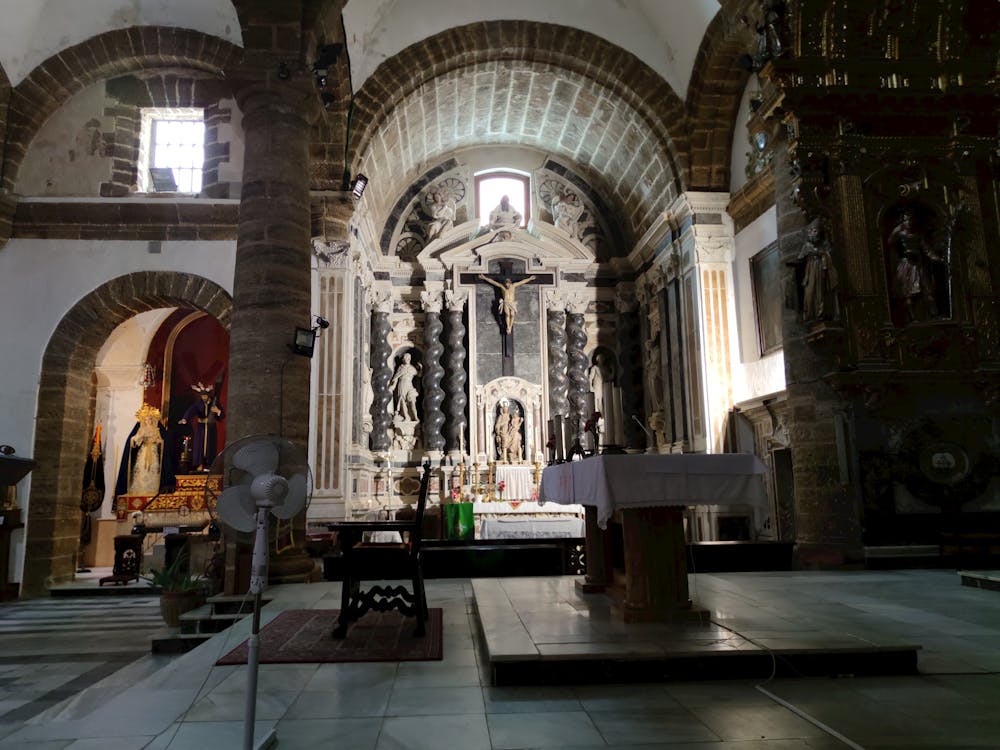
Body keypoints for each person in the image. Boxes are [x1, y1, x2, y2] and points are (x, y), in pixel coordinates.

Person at [889, 209, 943, 323]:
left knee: (927, 289)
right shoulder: (900, 231)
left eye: (911, 219)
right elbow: (890, 242)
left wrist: (936, 258)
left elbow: (926, 249)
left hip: (918, 264)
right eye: (907, 219)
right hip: (907, 264)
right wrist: (899, 254)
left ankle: (935, 315)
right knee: (908, 293)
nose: (909, 222)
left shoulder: (918, 233)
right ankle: (912, 318)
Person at [115, 403, 173, 496]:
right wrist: (139, 437)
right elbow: (134, 440)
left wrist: (158, 441)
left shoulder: (157, 429)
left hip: (153, 454)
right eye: (146, 419)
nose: (148, 421)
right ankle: (139, 491)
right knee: (141, 470)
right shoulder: (140, 429)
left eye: (150, 419)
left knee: (153, 471)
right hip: (143, 451)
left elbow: (162, 442)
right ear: (143, 420)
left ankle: (152, 492)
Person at [796, 218, 838, 322]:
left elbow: (830, 254)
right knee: (810, 292)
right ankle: (811, 313)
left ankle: (821, 313)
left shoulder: (824, 244)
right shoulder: (807, 245)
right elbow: (800, 258)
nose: (812, 234)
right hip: (810, 269)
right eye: (810, 231)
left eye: (814, 231)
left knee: (821, 291)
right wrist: (807, 252)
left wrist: (821, 253)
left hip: (820, 268)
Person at [178, 382, 224, 471]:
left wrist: (218, 411)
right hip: (201, 428)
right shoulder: (198, 404)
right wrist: (185, 419)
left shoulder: (214, 403)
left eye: (205, 396)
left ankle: (209, 464)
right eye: (202, 396)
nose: (204, 398)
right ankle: (200, 464)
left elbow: (221, 415)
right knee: (200, 445)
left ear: (208, 396)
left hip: (211, 428)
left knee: (210, 445)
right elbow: (191, 411)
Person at [388, 352, 420, 421]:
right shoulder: (400, 368)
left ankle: (415, 417)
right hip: (402, 385)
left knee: (412, 401)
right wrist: (393, 386)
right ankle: (406, 417)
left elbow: (419, 375)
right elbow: (396, 378)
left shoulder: (412, 368)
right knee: (402, 400)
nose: (407, 359)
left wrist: (421, 368)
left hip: (409, 385)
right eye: (406, 358)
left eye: (409, 358)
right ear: (403, 359)